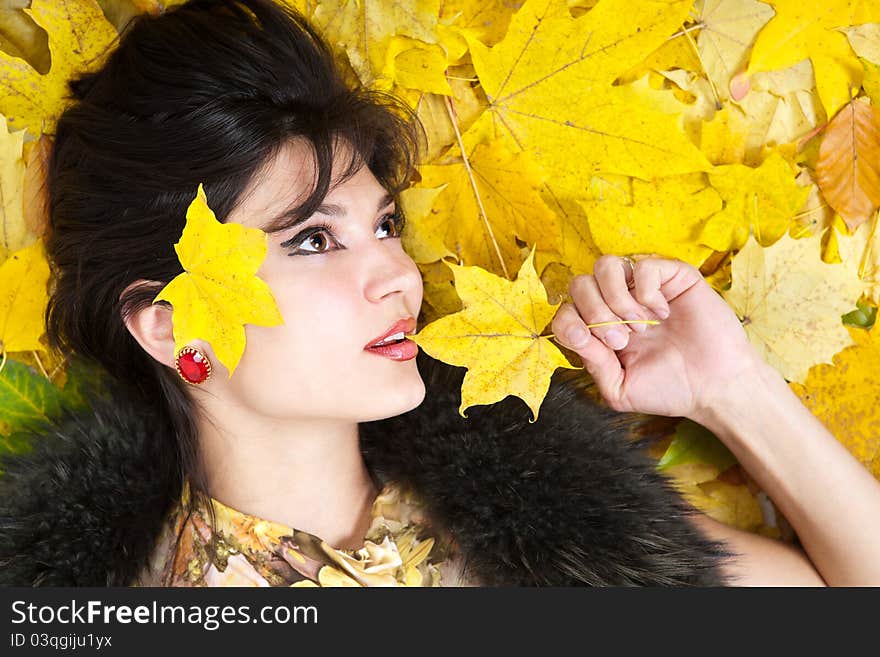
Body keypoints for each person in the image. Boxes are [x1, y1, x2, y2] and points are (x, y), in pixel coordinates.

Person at [1, 0, 878, 587]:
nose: (394, 273)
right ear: (166, 323)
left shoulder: (561, 545)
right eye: (312, 239)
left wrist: (733, 390)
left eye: (383, 225)